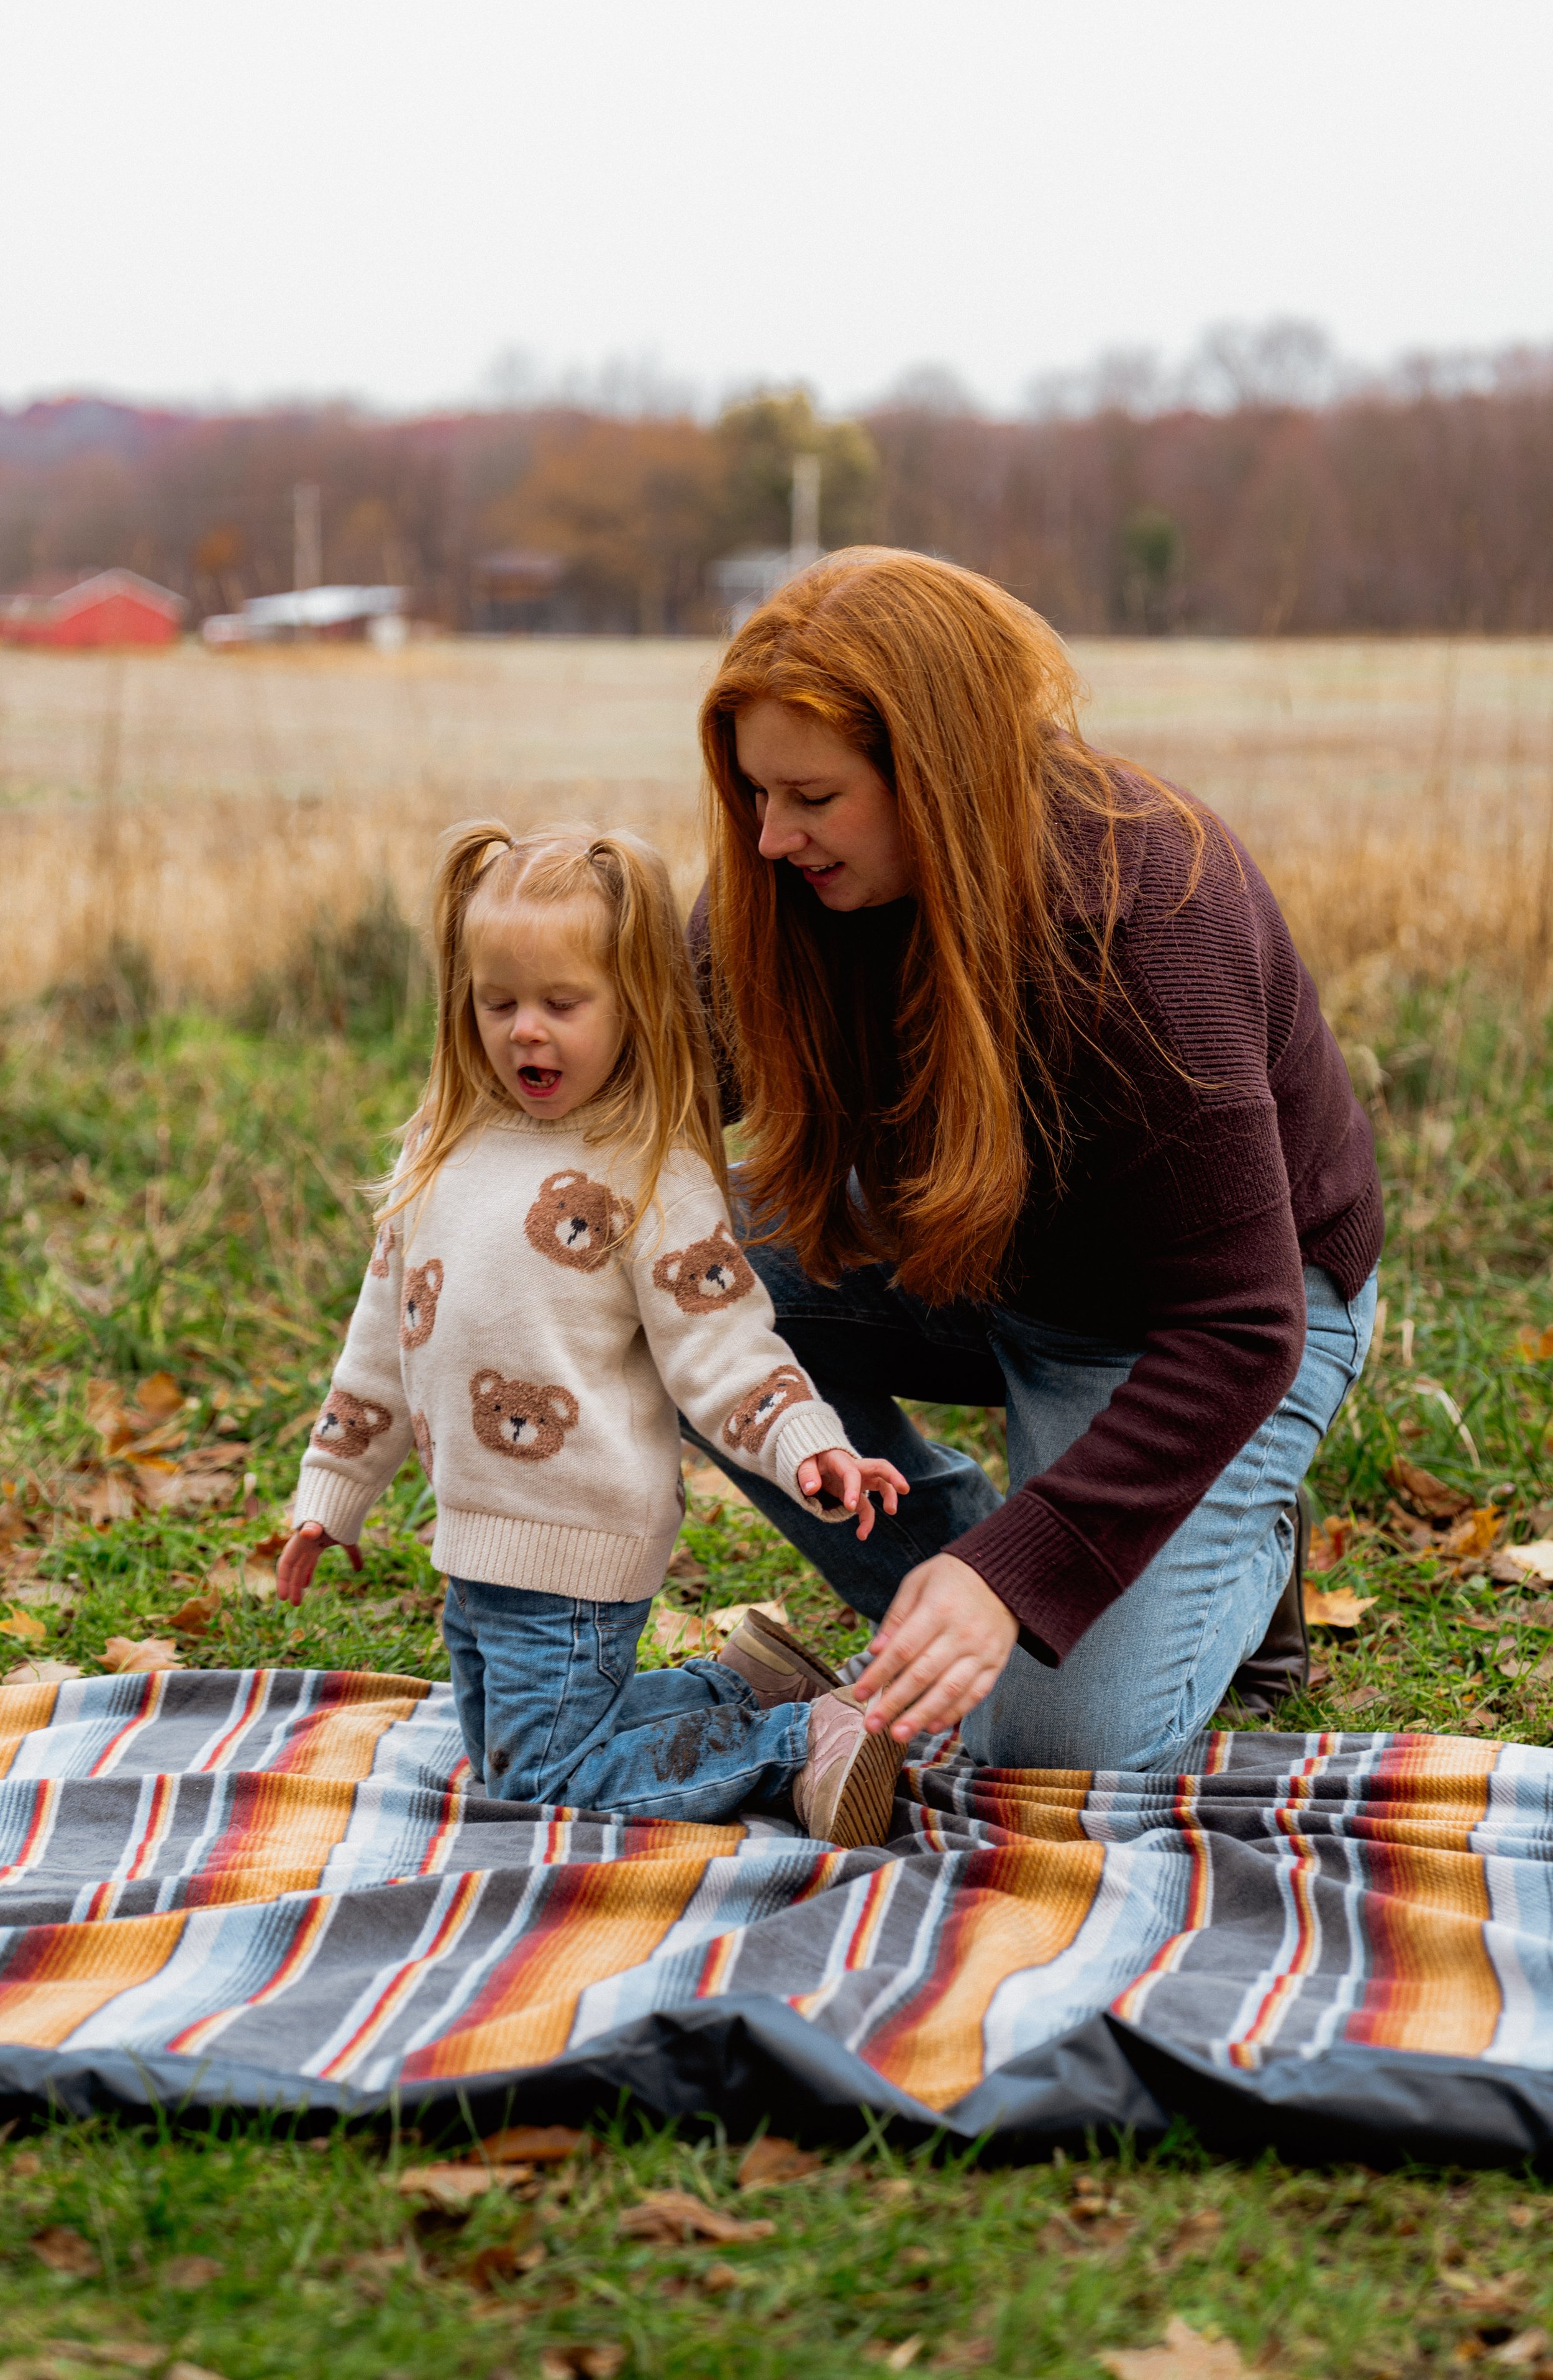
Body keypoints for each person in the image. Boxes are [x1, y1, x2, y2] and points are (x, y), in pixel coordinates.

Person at [686, 547, 1383, 1775]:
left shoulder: (1142, 921)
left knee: (1046, 1753)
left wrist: (1030, 1573)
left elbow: (1238, 1321)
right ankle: (969, 1565)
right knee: (640, 1286)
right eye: (754, 791)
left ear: (934, 771)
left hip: (1206, 1321)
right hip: (974, 1246)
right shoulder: (790, 874)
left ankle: (1236, 1538)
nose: (766, 832)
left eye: (808, 795)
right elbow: (647, 1097)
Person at [275, 819, 909, 1847]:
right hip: (475, 1537)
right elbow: (382, 1348)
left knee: (541, 1780)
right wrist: (331, 1494)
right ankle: (735, 1685)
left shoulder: (647, 1173)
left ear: (636, 1007)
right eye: (499, 1003)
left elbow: (727, 1347)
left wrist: (809, 1444)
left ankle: (802, 1741)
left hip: (578, 1547)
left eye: (563, 1004)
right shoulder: (444, 1154)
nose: (527, 1030)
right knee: (512, 1753)